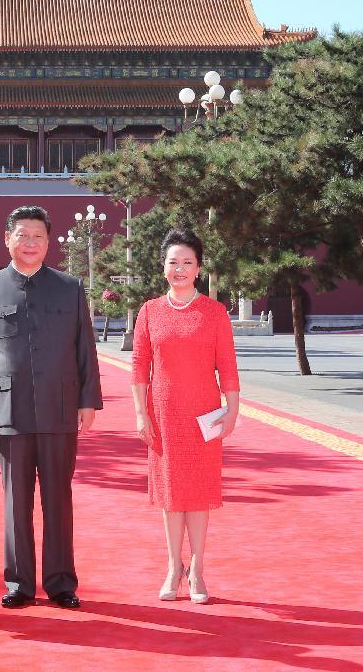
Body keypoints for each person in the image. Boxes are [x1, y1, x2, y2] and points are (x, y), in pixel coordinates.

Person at [0, 205, 103, 610]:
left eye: (38, 236)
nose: (30, 243)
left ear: (48, 242)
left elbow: (85, 349)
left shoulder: (69, 287)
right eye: (22, 235)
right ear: (7, 239)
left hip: (61, 406)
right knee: (16, 500)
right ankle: (19, 582)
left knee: (58, 498)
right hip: (11, 410)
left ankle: (61, 582)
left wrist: (88, 400)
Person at [130, 227, 240, 604]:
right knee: (171, 494)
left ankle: (198, 569)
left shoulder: (214, 312)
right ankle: (173, 567)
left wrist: (233, 409)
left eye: (187, 263)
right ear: (163, 267)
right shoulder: (149, 311)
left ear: (198, 268)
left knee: (199, 493)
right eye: (173, 262)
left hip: (203, 414)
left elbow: (227, 364)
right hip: (163, 414)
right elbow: (139, 366)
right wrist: (141, 414)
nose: (180, 269)